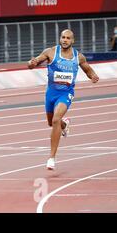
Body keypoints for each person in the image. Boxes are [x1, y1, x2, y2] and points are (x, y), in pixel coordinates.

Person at [27, 29, 99, 170]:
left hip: (66, 94)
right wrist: (32, 63)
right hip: (51, 93)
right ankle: (64, 125)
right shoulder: (51, 52)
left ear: (73, 41)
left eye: (68, 38)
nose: (65, 40)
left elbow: (88, 70)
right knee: (51, 123)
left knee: (55, 120)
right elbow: (36, 61)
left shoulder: (78, 57)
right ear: (60, 39)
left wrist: (93, 76)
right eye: (63, 37)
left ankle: (51, 158)